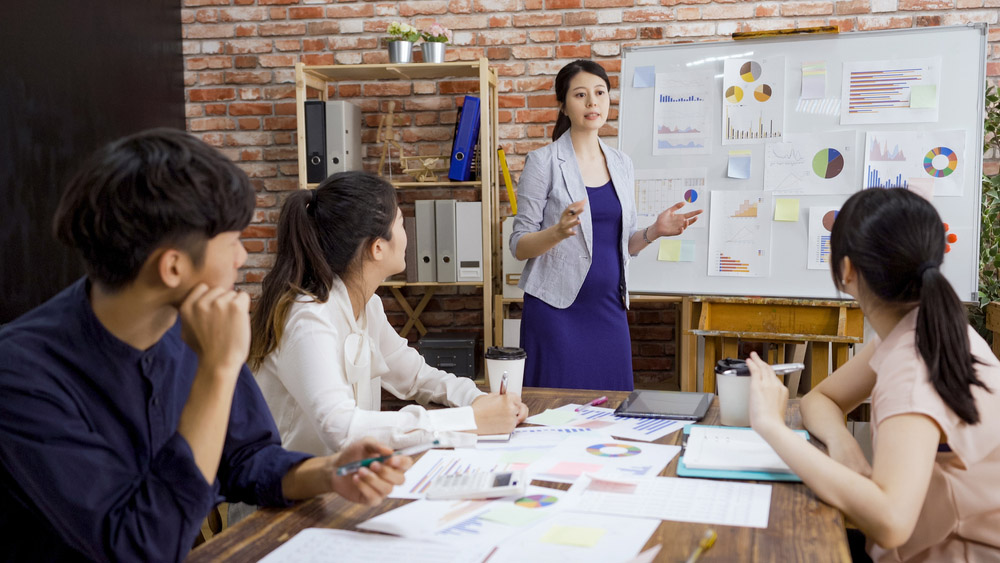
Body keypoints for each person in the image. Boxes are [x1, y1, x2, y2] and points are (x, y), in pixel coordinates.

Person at [0, 129, 412, 562]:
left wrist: (330, 471)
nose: (241, 258)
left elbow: (248, 460)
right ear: (173, 267)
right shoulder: (23, 376)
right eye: (233, 242)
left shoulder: (192, 326)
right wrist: (216, 369)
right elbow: (140, 548)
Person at [746, 188, 1000, 562]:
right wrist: (843, 445)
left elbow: (891, 521)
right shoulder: (921, 327)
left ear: (846, 270)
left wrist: (772, 427)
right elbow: (823, 399)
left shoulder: (913, 369)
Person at [249, 171, 528, 456]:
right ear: (378, 247)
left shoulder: (368, 305)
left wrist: (481, 401)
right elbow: (342, 430)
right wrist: (470, 420)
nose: (408, 236)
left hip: (346, 482)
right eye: (401, 223)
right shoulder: (308, 318)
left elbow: (416, 376)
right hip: (290, 494)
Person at [510, 59, 703, 391]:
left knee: (611, 411)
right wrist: (556, 232)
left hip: (609, 309)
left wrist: (655, 231)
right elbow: (518, 245)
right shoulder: (543, 162)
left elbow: (622, 243)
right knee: (554, 413)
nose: (592, 102)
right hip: (556, 311)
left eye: (600, 93)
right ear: (563, 106)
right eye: (580, 95)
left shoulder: (621, 163)